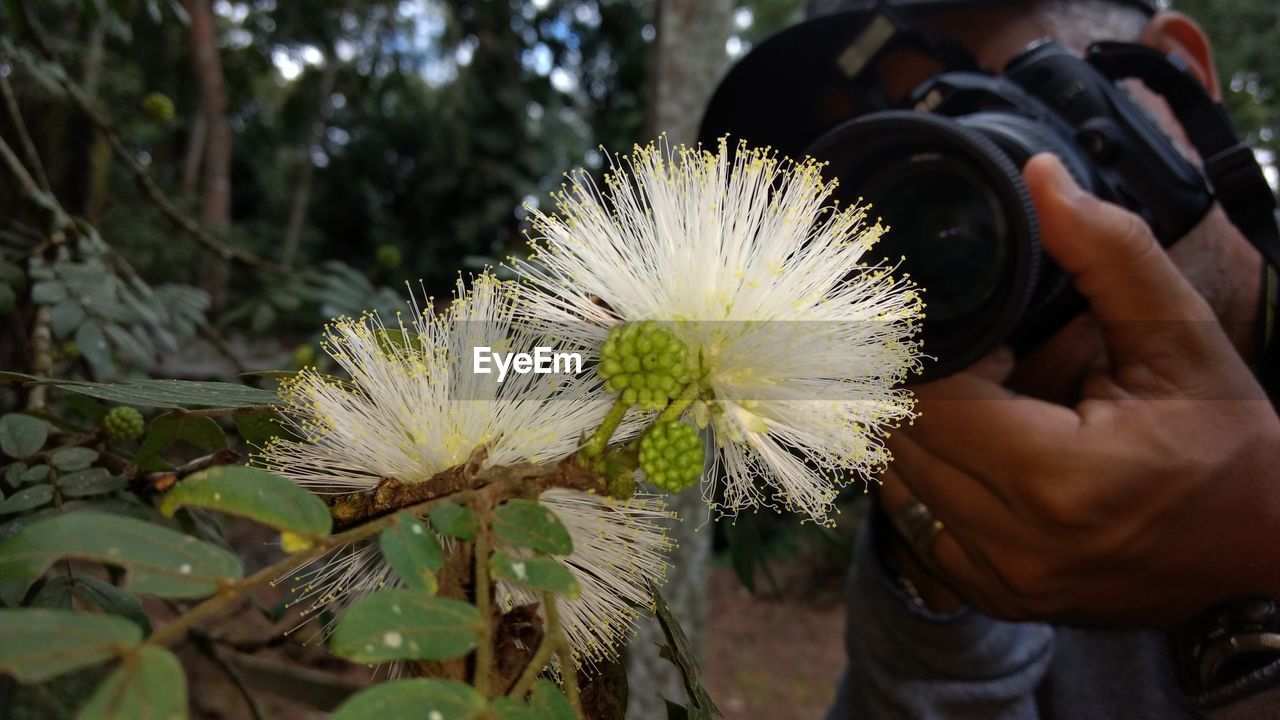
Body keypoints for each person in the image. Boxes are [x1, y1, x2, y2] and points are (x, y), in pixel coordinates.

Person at [704, 0, 1280, 717]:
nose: (950, 204)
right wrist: (936, 596)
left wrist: (1256, 558)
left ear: (1176, 77)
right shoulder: (957, 511)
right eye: (888, 206)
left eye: (991, 105)